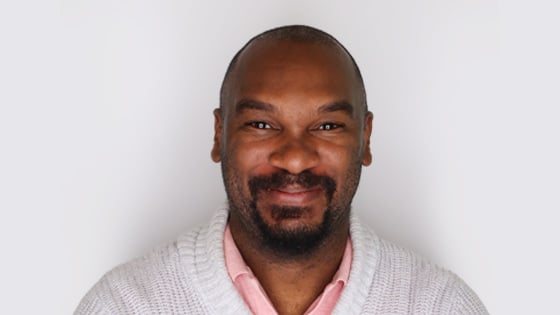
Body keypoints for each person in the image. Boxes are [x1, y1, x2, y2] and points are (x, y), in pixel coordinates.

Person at [75, 25, 488, 315]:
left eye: (327, 126)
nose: (294, 158)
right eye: (261, 125)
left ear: (365, 139)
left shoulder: (440, 306)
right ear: (219, 135)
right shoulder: (126, 305)